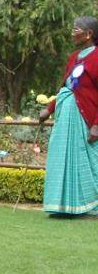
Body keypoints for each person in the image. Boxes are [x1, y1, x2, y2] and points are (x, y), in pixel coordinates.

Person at [38, 17, 98, 216]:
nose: (73, 33)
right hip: (66, 115)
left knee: (88, 159)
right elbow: (68, 86)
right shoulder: (74, 57)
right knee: (62, 156)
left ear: (88, 34)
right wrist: (49, 109)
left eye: (76, 29)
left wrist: (97, 125)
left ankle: (89, 206)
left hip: (84, 117)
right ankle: (64, 206)